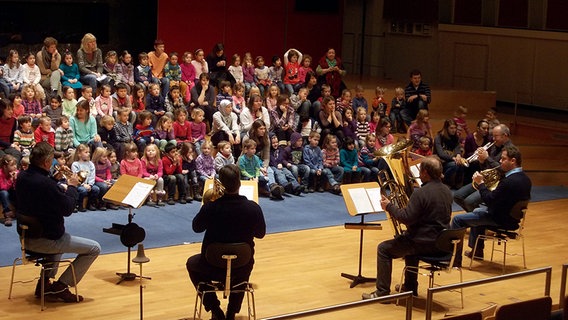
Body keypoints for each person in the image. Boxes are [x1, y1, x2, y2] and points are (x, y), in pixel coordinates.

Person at [16, 142, 101, 302]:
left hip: (26, 236)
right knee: (94, 248)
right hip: (47, 239)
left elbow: (41, 194)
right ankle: (61, 286)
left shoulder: (23, 176)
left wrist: (55, 180)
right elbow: (67, 209)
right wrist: (72, 187)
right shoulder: (46, 185)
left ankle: (45, 284)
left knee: (62, 237)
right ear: (47, 162)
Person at [362, 156, 452, 299]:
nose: (419, 174)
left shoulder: (421, 193)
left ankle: (382, 292)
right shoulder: (446, 190)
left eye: (421, 171)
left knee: (384, 249)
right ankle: (410, 287)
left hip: (423, 242)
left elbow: (406, 218)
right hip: (441, 244)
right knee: (407, 240)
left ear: (425, 173)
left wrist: (389, 206)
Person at [186, 164, 266, 320]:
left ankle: (215, 310)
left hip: (211, 266)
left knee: (192, 264)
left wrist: (207, 205)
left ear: (221, 184)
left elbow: (196, 228)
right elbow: (261, 234)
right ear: (240, 183)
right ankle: (232, 312)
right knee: (245, 265)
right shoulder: (253, 208)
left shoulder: (211, 207)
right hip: (241, 265)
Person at [451, 145, 531, 261]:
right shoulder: (525, 179)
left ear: (513, 161)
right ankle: (477, 252)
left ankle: (455, 260)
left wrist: (481, 184)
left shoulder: (508, 182)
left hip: (501, 220)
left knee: (457, 220)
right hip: (512, 219)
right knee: (477, 211)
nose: (500, 161)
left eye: (503, 159)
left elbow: (489, 200)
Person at [454, 124, 513, 213]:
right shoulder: (494, 147)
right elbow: (487, 168)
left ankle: (479, 220)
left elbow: (503, 169)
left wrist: (487, 158)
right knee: (457, 196)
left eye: (496, 136)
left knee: (469, 202)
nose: (493, 139)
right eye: (492, 136)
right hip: (486, 180)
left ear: (505, 136)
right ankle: (477, 218)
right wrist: (482, 161)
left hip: (497, 184)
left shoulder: (511, 150)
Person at [434, 119, 466, 189]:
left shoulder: (455, 137)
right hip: (440, 161)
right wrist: (453, 158)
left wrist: (458, 155)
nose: (454, 130)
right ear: (446, 128)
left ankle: (458, 185)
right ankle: (445, 182)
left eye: (455, 128)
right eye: (451, 128)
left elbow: (457, 148)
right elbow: (440, 154)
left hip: (451, 160)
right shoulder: (438, 137)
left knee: (461, 163)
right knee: (455, 165)